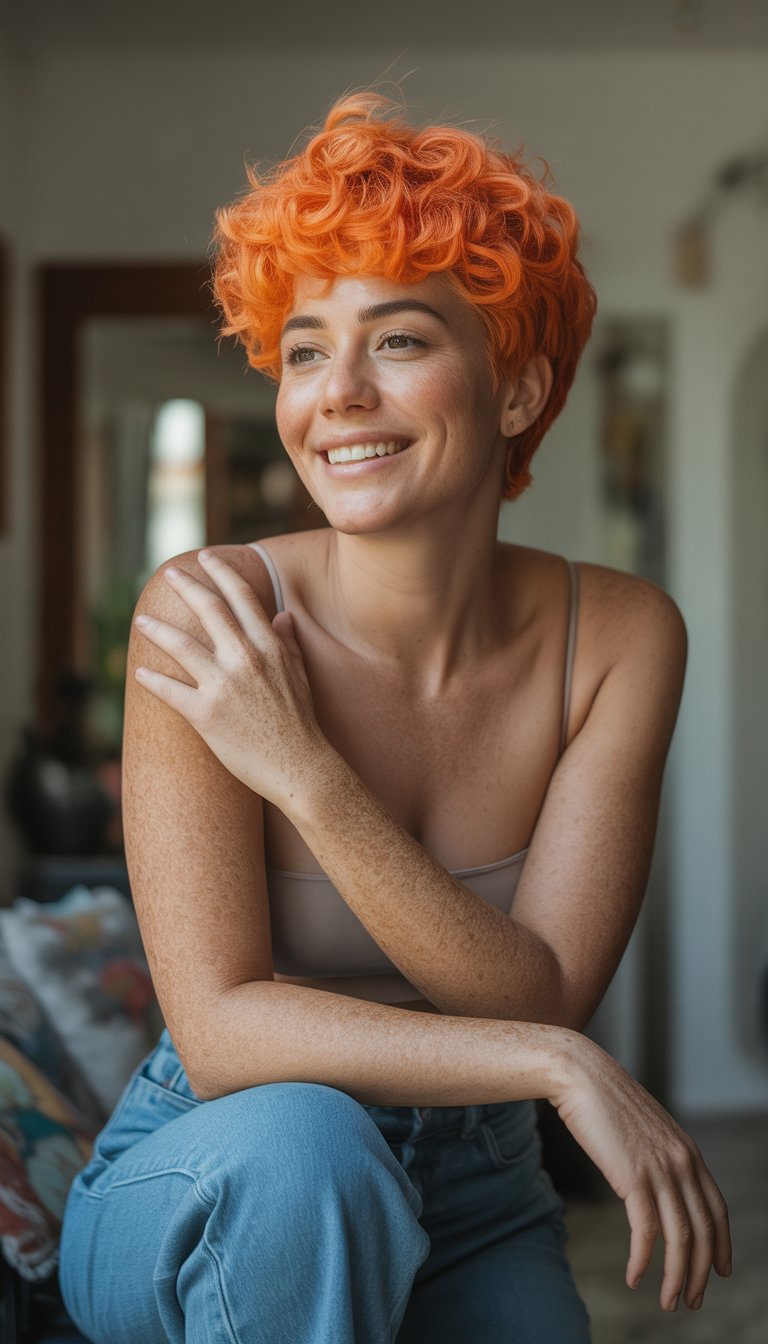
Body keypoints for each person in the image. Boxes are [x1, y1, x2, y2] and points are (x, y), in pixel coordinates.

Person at [60, 92, 731, 1343]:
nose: (338, 394)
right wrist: (556, 1064)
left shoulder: (623, 638)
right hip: (217, 1168)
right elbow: (219, 1034)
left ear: (519, 388)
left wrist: (305, 775)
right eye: (305, 349)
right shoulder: (203, 611)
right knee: (307, 1147)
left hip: (478, 1188)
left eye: (401, 341)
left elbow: (544, 989)